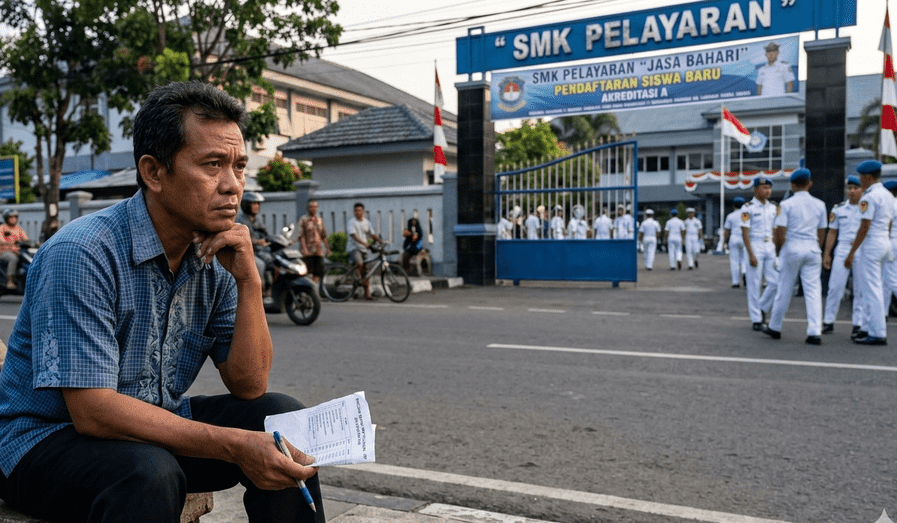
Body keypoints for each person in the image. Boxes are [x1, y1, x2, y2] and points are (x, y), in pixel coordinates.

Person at [0, 82, 324, 523]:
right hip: (45, 441)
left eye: (239, 166)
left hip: (150, 426)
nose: (233, 186)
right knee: (150, 472)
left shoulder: (219, 256)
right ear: (154, 172)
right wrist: (234, 444)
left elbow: (249, 385)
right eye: (212, 165)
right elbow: (93, 412)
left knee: (281, 421)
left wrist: (249, 280)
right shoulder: (83, 252)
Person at [760, 169, 827, 344]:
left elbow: (781, 232)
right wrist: (816, 247)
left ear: (792, 185)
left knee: (784, 290)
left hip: (792, 248)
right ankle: (814, 332)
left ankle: (775, 327)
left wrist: (778, 252)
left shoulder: (786, 205)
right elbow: (822, 230)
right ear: (809, 183)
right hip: (812, 249)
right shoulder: (820, 204)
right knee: (813, 292)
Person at [845, 160, 894, 345]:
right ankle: (867, 327)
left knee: (871, 290)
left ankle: (878, 332)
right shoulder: (888, 195)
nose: (859, 181)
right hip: (884, 242)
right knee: (875, 288)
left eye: (860, 177)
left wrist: (852, 251)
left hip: (872, 244)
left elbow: (864, 226)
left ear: (867, 177)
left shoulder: (869, 197)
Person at [822, 176, 863, 335]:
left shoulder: (866, 208)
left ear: (862, 189)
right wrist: (827, 254)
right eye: (849, 188)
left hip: (860, 248)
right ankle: (828, 321)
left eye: (855, 188)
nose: (852, 191)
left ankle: (858, 324)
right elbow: (831, 232)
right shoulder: (838, 209)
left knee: (860, 289)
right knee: (835, 286)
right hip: (843, 247)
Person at [742, 176, 779, 331]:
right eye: (764, 188)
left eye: (769, 188)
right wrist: (750, 253)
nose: (767, 191)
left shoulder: (773, 208)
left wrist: (776, 251)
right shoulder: (748, 208)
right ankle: (756, 319)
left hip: (769, 244)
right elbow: (745, 232)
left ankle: (762, 306)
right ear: (756, 190)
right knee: (754, 284)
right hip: (755, 244)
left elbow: (776, 230)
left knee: (776, 282)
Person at [235, 191, 271, 286]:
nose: (257, 206)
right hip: (246, 252)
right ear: (246, 205)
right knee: (260, 265)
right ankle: (260, 290)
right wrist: (257, 242)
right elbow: (241, 238)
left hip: (259, 250)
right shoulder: (240, 220)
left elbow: (265, 234)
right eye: (254, 204)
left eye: (258, 204)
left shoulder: (257, 219)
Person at [348, 201, 381, 300]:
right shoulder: (351, 222)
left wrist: (379, 241)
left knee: (367, 271)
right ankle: (358, 280)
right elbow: (354, 235)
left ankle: (367, 294)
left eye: (359, 210)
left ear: (363, 211)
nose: (357, 212)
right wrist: (364, 243)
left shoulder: (367, 222)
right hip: (354, 248)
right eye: (356, 211)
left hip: (364, 249)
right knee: (360, 264)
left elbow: (372, 234)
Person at [297, 200, 330, 285]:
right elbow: (301, 235)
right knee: (307, 270)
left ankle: (313, 287)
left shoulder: (319, 220)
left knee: (318, 271)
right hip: (308, 250)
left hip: (318, 250)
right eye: (311, 207)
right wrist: (304, 248)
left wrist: (327, 248)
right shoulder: (304, 219)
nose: (313, 209)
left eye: (315, 207)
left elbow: (323, 235)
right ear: (308, 208)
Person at [880, 180, 897, 322]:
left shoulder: (890, 205)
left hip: (891, 242)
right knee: (885, 280)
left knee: (891, 279)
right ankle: (883, 312)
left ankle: (884, 311)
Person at [0, 209, 28, 289]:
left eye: (15, 217)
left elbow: (25, 239)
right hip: (4, 252)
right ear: (6, 219)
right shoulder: (2, 228)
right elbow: (2, 241)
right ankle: (10, 281)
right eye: (11, 217)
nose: (13, 219)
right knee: (13, 258)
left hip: (17, 251)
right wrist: (12, 244)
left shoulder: (18, 228)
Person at [723, 197, 747, 288]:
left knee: (734, 261)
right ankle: (745, 272)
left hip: (734, 238)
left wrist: (725, 242)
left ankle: (735, 282)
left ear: (734, 205)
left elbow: (727, 231)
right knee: (744, 258)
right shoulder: (745, 215)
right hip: (744, 238)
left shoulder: (730, 216)